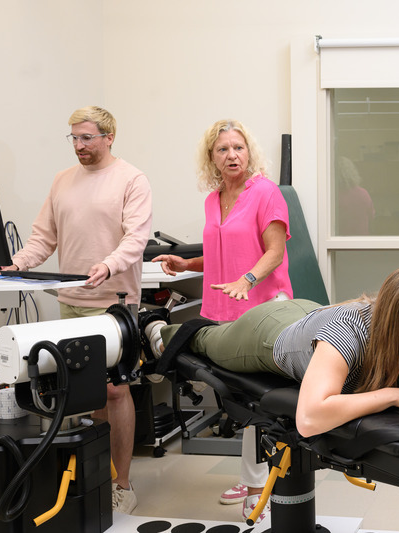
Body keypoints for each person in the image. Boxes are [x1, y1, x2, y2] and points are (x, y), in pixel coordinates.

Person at [0, 106, 153, 514]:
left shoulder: (131, 179)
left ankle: (121, 481)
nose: (79, 146)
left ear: (109, 137)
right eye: (74, 138)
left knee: (116, 390)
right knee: (85, 394)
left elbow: (136, 239)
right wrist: (13, 266)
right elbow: (42, 238)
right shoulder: (62, 181)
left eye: (86, 138)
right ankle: (95, 474)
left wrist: (108, 265)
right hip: (70, 302)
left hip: (114, 302)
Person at [153, 264, 399, 438]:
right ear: (391, 317)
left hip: (310, 315)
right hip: (265, 333)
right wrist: (396, 395)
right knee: (207, 340)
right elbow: (309, 419)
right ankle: (155, 330)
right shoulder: (348, 335)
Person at [151, 119, 292, 522]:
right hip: (223, 309)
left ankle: (256, 485)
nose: (232, 155)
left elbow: (274, 252)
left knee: (256, 399)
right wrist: (186, 262)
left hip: (264, 309)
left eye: (238, 148)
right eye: (223, 149)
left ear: (250, 153)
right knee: (233, 396)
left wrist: (248, 280)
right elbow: (219, 253)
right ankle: (255, 474)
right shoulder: (213, 200)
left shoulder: (265, 193)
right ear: (211, 158)